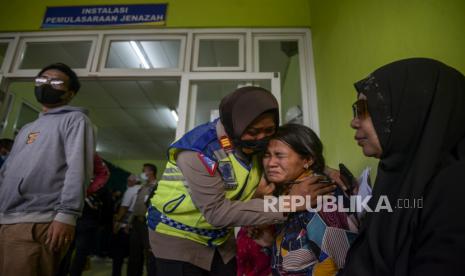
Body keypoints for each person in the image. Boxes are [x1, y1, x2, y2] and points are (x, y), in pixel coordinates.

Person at [148, 86, 330, 275]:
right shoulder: (197, 151)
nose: (262, 138)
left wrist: (322, 169)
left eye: (269, 130)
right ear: (233, 127)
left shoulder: (252, 144)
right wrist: (290, 203)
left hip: (219, 238)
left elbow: (292, 150)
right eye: (253, 132)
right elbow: (217, 213)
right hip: (178, 237)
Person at [343, 58, 465, 275]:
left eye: (364, 110)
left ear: (410, 112)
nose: (353, 122)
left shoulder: (454, 191)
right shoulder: (397, 177)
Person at [0, 62, 95, 276]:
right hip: (6, 218)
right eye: (42, 79)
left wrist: (67, 215)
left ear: (70, 94)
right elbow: (7, 172)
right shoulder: (27, 128)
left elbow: (78, 169)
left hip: (38, 221)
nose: (47, 84)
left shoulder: (76, 120)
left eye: (57, 82)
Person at [248, 124, 357, 275]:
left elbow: (343, 265)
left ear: (307, 159)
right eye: (267, 155)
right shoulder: (289, 192)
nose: (270, 163)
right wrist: (270, 242)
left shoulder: (321, 197)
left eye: (279, 155)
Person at [128, 163, 158, 276]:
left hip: (147, 224)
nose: (142, 173)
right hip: (136, 222)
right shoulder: (142, 187)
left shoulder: (157, 186)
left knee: (150, 255)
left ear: (151, 172)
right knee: (134, 254)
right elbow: (136, 205)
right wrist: (129, 222)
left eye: (144, 170)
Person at [112, 174, 141, 276]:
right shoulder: (143, 190)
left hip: (124, 227)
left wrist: (116, 223)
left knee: (118, 255)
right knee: (135, 256)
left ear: (133, 182)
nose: (127, 183)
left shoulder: (131, 190)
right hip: (138, 227)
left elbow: (124, 208)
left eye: (128, 181)